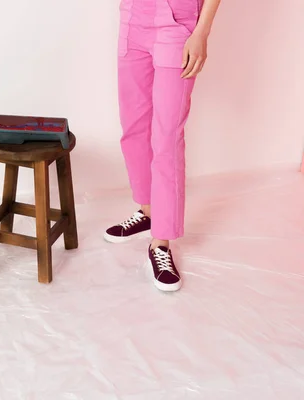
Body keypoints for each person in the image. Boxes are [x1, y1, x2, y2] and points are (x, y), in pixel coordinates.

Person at [104, 0, 221, 292]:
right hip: (134, 18)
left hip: (178, 21)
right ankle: (148, 210)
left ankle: (162, 241)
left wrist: (201, 32)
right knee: (133, 127)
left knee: (166, 137)